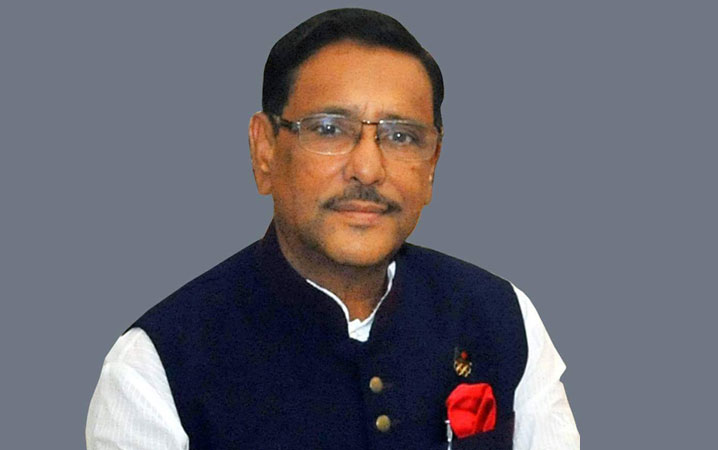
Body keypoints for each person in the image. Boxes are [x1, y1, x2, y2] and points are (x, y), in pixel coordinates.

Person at [86, 8, 579, 450]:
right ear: (265, 150)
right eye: (329, 129)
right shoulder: (157, 368)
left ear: (432, 165)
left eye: (401, 136)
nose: (367, 169)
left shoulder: (501, 316)